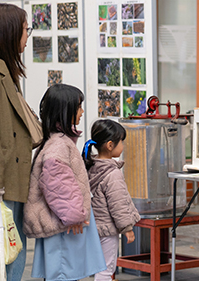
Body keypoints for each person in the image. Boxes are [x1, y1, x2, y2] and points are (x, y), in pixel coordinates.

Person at [23, 84, 106, 279]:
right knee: (64, 273)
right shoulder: (59, 145)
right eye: (78, 107)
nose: (82, 112)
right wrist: (74, 215)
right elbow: (57, 182)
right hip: (64, 226)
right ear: (64, 111)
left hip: (63, 222)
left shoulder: (55, 141)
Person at [0, 4, 42, 281]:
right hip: (3, 184)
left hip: (12, 178)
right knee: (9, 255)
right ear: (9, 33)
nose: (28, 37)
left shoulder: (5, 69)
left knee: (12, 251)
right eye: (26, 30)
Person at [83, 119, 140, 281]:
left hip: (92, 228)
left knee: (97, 267)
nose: (122, 145)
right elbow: (118, 204)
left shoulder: (90, 167)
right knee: (106, 269)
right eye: (121, 141)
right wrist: (127, 228)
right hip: (107, 230)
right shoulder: (112, 173)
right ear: (110, 145)